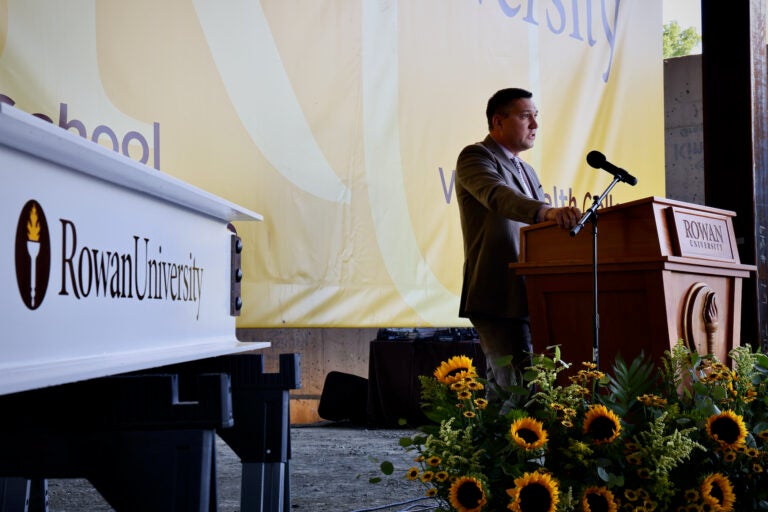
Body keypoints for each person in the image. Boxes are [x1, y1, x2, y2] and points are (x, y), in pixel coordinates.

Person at [456, 87, 582, 390]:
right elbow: (499, 197)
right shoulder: (476, 157)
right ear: (498, 122)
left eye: (536, 117)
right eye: (527, 117)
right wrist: (546, 212)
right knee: (510, 388)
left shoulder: (527, 170)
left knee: (532, 387)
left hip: (532, 292)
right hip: (496, 290)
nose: (535, 125)